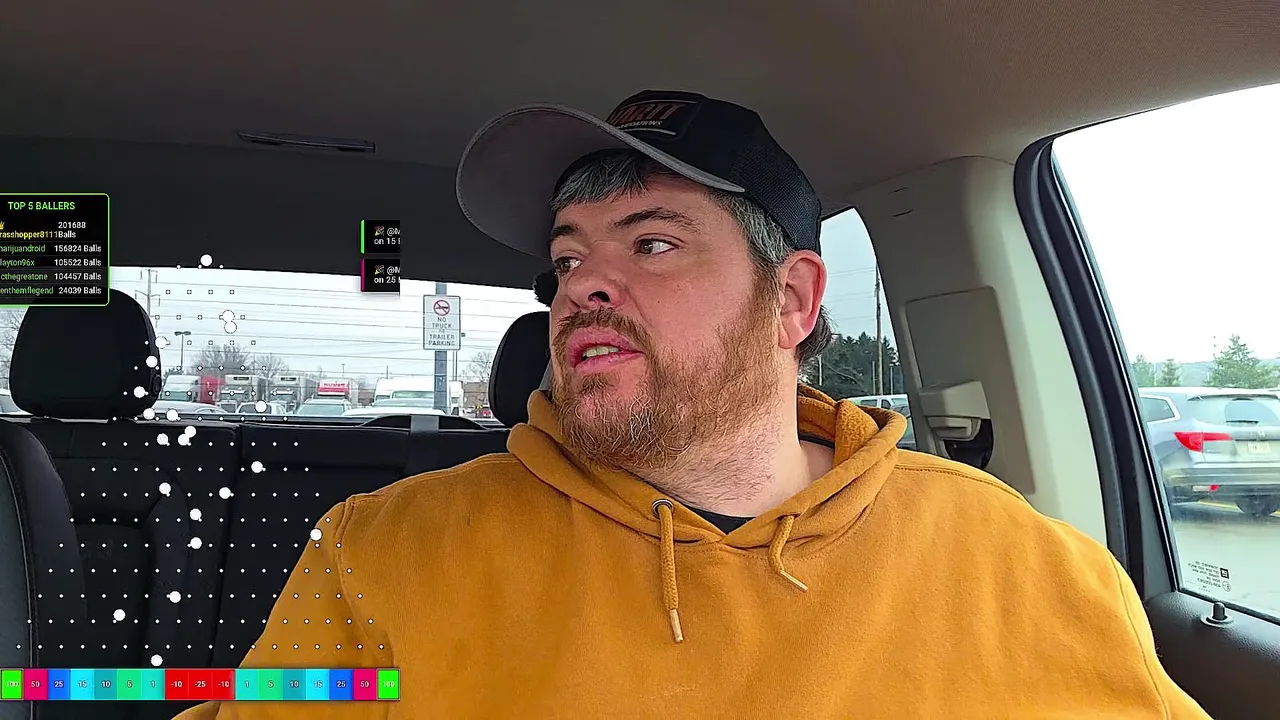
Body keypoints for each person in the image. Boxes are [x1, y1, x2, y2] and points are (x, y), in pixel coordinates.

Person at [176, 90, 1208, 718]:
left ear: (791, 300)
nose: (581, 285)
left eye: (653, 243)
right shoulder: (384, 553)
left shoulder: (1020, 564)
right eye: (567, 257)